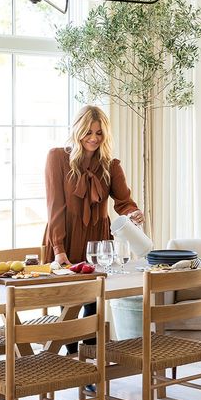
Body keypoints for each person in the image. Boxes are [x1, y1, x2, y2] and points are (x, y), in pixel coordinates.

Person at [42, 104, 144, 357]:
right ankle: (72, 358)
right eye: (88, 132)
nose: (94, 138)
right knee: (69, 301)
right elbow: (54, 207)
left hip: (98, 241)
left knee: (93, 300)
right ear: (78, 131)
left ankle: (89, 361)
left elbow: (123, 201)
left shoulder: (110, 165)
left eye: (99, 133)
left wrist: (132, 213)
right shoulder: (57, 158)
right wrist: (58, 248)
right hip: (65, 235)